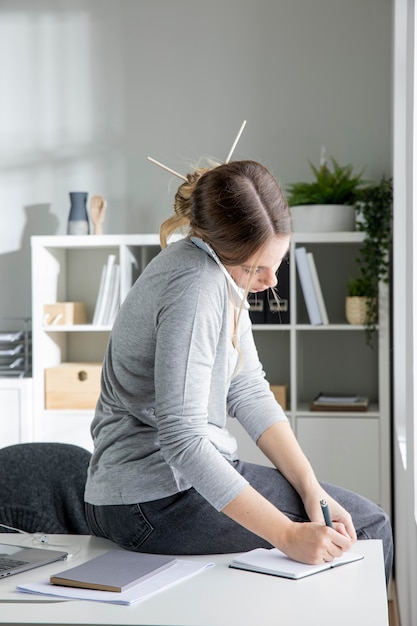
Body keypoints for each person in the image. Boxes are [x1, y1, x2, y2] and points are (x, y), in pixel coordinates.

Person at [84, 159, 393, 583]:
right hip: (153, 498)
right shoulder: (197, 286)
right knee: (370, 526)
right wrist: (286, 534)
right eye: (252, 268)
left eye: (276, 262)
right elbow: (183, 440)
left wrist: (310, 486)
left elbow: (247, 389)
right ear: (219, 245)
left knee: (341, 517)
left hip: (146, 493)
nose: (269, 281)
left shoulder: (219, 275)